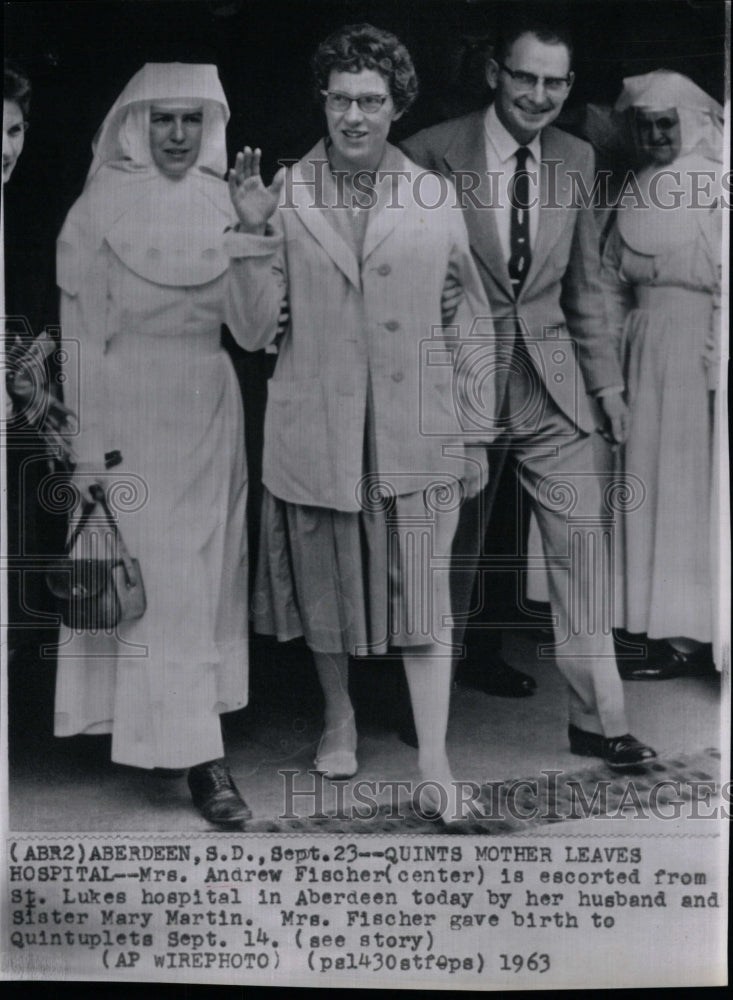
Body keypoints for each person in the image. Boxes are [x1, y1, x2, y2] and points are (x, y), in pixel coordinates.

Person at [227, 23, 494, 823]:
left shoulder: (433, 194)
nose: (353, 116)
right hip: (318, 427)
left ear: (395, 105)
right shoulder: (280, 189)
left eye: (370, 101)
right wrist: (247, 232)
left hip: (418, 428)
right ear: (323, 99)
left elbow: (467, 320)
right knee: (326, 586)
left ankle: (436, 761)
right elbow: (247, 332)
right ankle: (337, 713)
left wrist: (474, 429)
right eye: (340, 99)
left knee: (424, 596)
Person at [403, 16, 657, 766]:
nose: (537, 94)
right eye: (525, 77)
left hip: (554, 386)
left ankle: (598, 721)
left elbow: (583, 287)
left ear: (567, 88)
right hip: (459, 382)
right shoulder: (427, 153)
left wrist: (606, 390)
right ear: (494, 74)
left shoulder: (576, 157)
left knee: (581, 552)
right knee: (446, 556)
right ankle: (427, 714)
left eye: (553, 82)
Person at [53, 63, 276, 826]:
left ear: (209, 126)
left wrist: (251, 234)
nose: (177, 135)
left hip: (210, 410)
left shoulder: (231, 200)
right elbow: (81, 339)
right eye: (162, 120)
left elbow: (251, 333)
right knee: (164, 584)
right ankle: (204, 764)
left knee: (202, 584)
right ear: (136, 124)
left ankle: (185, 732)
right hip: (131, 411)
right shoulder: (98, 209)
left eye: (190, 120)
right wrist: (87, 447)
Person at [603, 70, 724, 680]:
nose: (654, 134)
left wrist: (715, 365)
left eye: (665, 123)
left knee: (684, 492)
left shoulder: (715, 185)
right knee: (645, 484)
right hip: (641, 347)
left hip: (693, 354)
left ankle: (686, 637)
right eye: (645, 124)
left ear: (692, 123)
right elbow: (613, 276)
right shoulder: (637, 186)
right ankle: (650, 625)